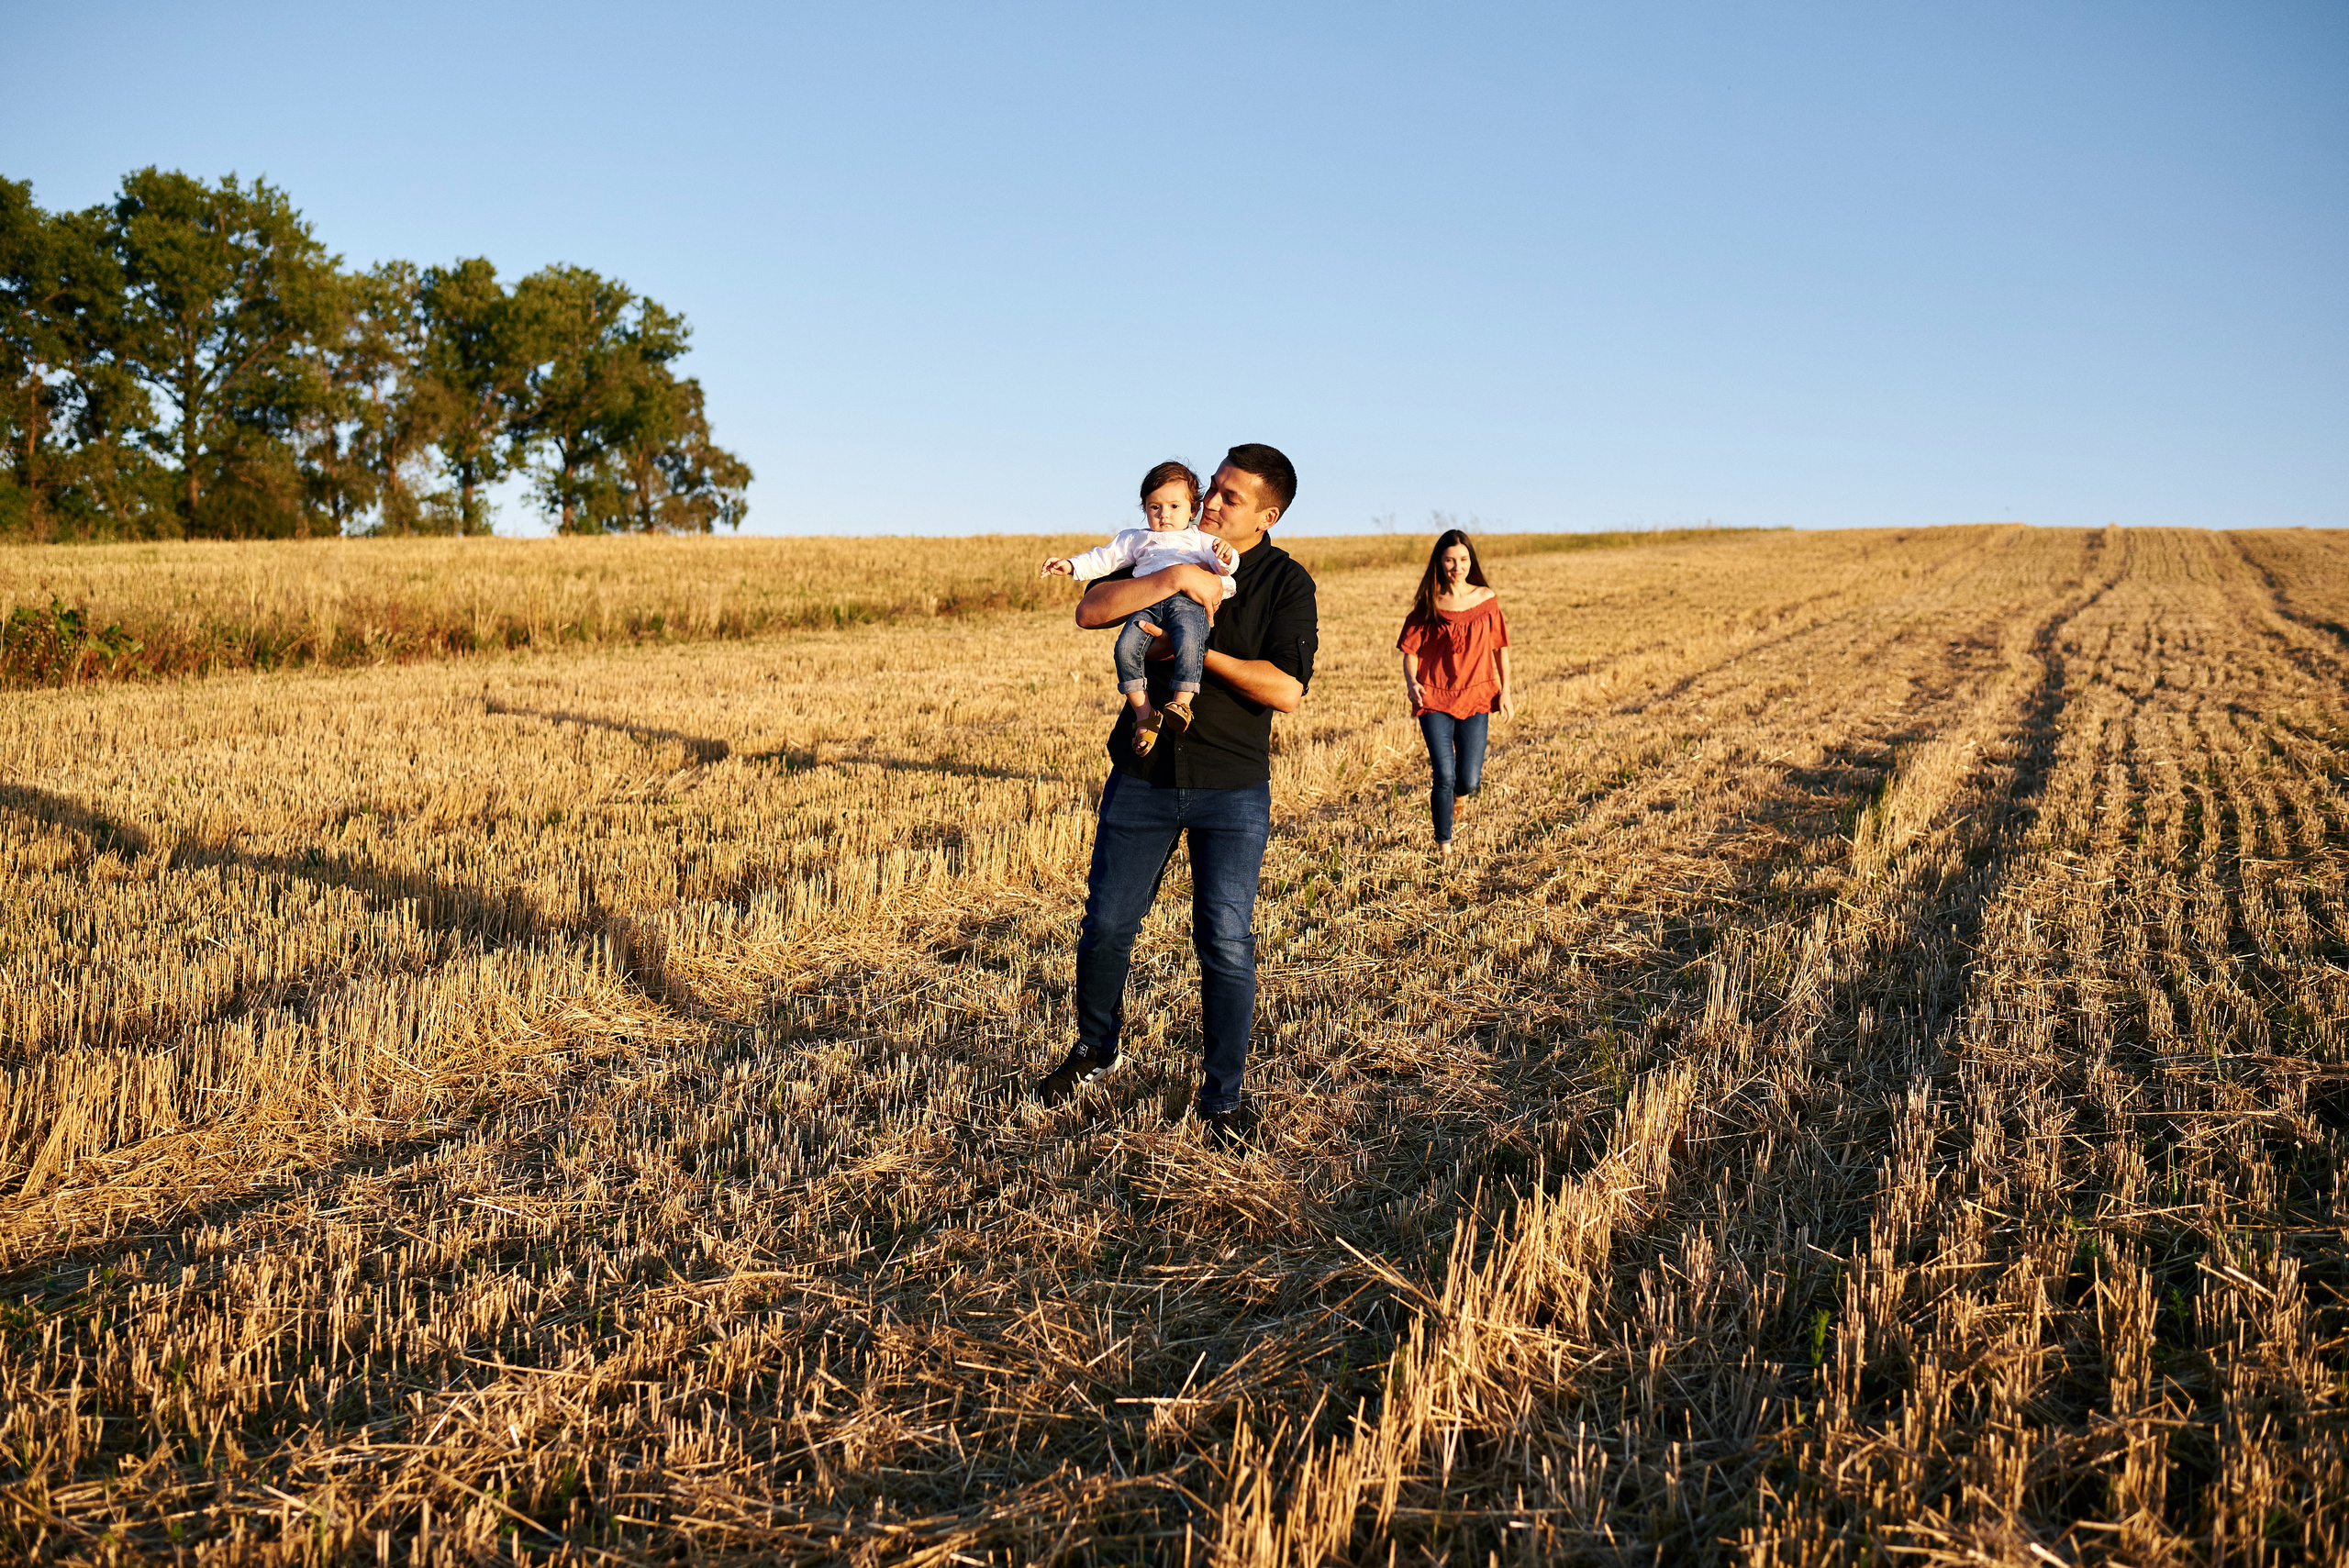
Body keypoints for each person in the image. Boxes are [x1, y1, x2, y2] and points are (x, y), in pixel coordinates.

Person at [1033, 444, 1318, 1148]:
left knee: (1224, 940)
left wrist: (1196, 652)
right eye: (1212, 488)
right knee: (1106, 924)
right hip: (1143, 775)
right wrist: (1179, 577)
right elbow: (1091, 609)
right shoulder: (1168, 549)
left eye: (1230, 497)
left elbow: (1286, 688)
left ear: (1268, 515)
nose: (1211, 502)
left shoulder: (1285, 581)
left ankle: (1222, 1100)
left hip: (1233, 786)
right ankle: (1097, 1048)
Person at [1041, 462, 1239, 755]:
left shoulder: (1201, 539)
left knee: (1190, 641)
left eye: (1174, 506)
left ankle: (1181, 703)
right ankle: (1144, 713)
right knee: (1124, 649)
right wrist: (1071, 565)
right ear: (1144, 508)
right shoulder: (1135, 538)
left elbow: (1226, 570)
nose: (1164, 515)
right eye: (1154, 507)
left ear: (1193, 509)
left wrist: (1226, 557)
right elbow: (1103, 559)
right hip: (1147, 604)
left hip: (1187, 605)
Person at [1397, 528, 1512, 856]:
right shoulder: (1429, 603)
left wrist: (1506, 691)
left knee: (1469, 780)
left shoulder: (1486, 599)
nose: (1457, 567)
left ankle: (1460, 797)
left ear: (1471, 561)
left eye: (1463, 559)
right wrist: (1412, 682)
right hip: (1434, 697)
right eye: (1450, 560)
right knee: (1444, 774)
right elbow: (1411, 651)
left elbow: (1501, 647)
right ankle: (1444, 846)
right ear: (1440, 562)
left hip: (1477, 696)